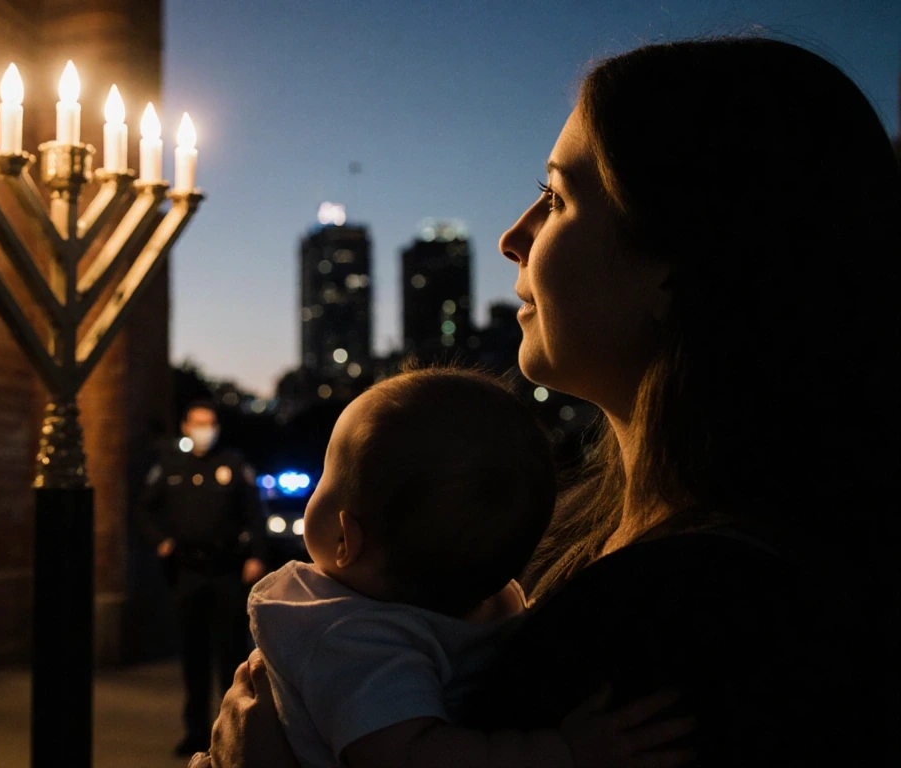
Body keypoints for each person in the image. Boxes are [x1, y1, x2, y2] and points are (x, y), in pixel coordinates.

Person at [193, 36, 900, 768]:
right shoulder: (588, 547)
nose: (511, 238)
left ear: (675, 266)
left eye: (557, 198)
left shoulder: (690, 617)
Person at [250, 366, 691, 768]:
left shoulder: (349, 635)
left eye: (326, 475)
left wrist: (561, 754)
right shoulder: (375, 627)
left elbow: (411, 755)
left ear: (346, 539)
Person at [139, 400, 269, 757]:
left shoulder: (233, 463)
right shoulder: (170, 466)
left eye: (210, 422)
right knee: (192, 654)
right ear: (185, 425)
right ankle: (195, 732)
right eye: (198, 422)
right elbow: (145, 509)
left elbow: (254, 513)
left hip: (226, 569)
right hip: (187, 571)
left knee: (231, 656)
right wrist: (160, 541)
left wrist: (256, 555)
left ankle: (234, 732)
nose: (205, 428)